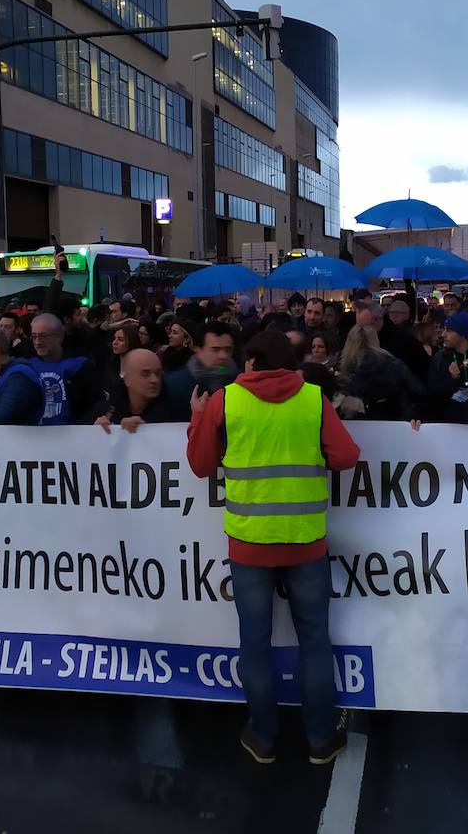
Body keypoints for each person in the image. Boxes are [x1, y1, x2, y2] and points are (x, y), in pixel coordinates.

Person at [184, 330, 361, 766]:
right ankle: (321, 739)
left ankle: (262, 738)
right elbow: (346, 457)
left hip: (249, 545)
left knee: (255, 644)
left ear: (251, 363)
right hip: (304, 543)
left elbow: (201, 465)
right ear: (290, 364)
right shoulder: (313, 399)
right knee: (316, 642)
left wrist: (196, 420)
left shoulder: (226, 401)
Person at [336, 325, 425, 422]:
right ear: (376, 340)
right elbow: (419, 391)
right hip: (394, 421)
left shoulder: (343, 368)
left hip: (356, 425)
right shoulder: (392, 363)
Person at [166, 322, 238, 419]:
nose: (223, 356)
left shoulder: (239, 381)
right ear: (198, 350)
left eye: (228, 350)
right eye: (215, 350)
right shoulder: (175, 384)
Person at [95, 348, 173, 433]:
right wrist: (94, 431)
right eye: (145, 374)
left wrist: (146, 427)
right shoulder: (105, 410)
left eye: (158, 373)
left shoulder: (175, 412)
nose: (155, 380)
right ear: (127, 379)